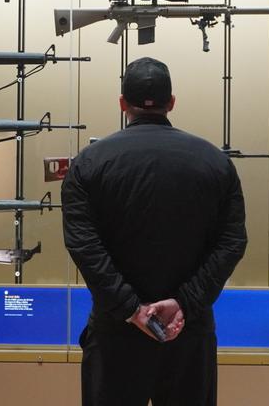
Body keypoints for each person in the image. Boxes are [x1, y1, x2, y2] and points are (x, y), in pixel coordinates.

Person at [62, 57, 247, 406]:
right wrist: (184, 303)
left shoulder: (88, 164)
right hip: (188, 334)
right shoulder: (215, 163)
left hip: (116, 333)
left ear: (121, 104)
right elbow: (232, 243)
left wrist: (131, 309)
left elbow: (85, 248)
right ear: (172, 102)